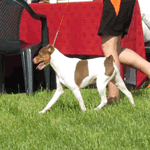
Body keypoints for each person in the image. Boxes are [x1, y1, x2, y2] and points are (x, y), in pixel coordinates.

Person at [97, 0, 150, 103]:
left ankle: (113, 97)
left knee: (109, 47)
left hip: (116, 3)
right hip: (123, 3)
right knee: (115, 49)